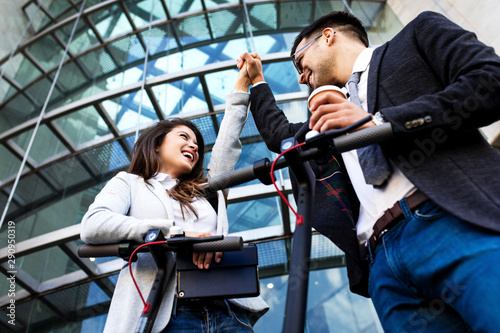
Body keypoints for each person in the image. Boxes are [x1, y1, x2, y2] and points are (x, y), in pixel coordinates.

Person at [239, 10, 500, 332]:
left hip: (452, 219)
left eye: (298, 62)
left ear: (328, 36)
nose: (300, 78)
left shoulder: (416, 36)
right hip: (383, 270)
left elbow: (489, 81)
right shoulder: (327, 121)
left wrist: (379, 122)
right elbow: (280, 136)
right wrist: (257, 81)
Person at [80, 64, 268, 333]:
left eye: (196, 144)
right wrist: (175, 235)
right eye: (184, 137)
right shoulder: (130, 183)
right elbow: (93, 225)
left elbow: (227, 144)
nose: (193, 145)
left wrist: (242, 86)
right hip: (168, 314)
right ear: (157, 143)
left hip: (227, 312)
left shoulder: (205, 191)